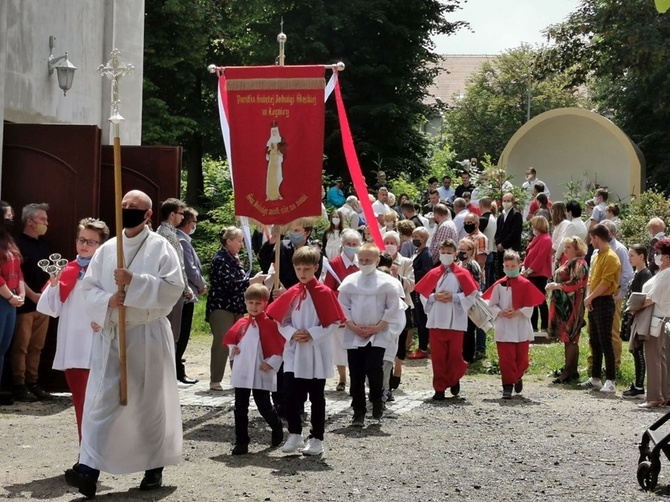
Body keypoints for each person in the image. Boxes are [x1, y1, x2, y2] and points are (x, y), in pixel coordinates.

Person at [66, 190, 185, 498]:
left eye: (134, 207)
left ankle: (154, 469)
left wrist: (135, 282)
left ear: (148, 214)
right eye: (124, 206)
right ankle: (88, 471)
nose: (128, 210)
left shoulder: (161, 248)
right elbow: (88, 288)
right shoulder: (107, 249)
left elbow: (174, 288)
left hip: (147, 335)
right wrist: (109, 299)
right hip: (113, 335)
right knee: (102, 403)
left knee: (148, 404)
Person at [37, 218, 109, 445]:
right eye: (81, 240)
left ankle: (99, 451)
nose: (85, 245)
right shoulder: (67, 269)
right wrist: (56, 283)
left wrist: (106, 319)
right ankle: (86, 451)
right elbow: (50, 308)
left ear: (101, 245)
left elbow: (120, 304)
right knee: (81, 401)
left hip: (101, 344)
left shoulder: (108, 272)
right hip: (75, 347)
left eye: (91, 241)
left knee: (102, 403)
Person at [266, 246, 345, 455]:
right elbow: (282, 320)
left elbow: (334, 322)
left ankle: (317, 438)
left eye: (307, 269)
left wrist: (312, 333)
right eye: (299, 268)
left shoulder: (325, 293)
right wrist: (292, 332)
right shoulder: (292, 292)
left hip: (316, 351)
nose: (302, 273)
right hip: (295, 350)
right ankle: (294, 434)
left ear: (316, 268)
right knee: (291, 395)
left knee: (317, 396)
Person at [338, 243, 403, 425]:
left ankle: (377, 400)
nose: (364, 263)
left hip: (378, 332)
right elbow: (343, 306)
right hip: (354, 332)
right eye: (362, 260)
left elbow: (393, 307)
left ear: (376, 260)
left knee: (375, 370)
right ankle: (358, 411)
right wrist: (352, 326)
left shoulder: (387, 282)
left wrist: (378, 327)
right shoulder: (350, 281)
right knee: (356, 374)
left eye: (368, 260)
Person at [223, 284, 285, 455]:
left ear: (265, 303)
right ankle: (241, 441)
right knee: (240, 406)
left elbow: (279, 347)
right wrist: (233, 349)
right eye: (250, 303)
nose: (253, 306)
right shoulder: (242, 323)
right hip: (243, 369)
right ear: (245, 303)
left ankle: (277, 426)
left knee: (263, 404)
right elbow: (231, 340)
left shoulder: (271, 325)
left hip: (261, 369)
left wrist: (272, 362)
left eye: (258, 303)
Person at [414, 238, 478, 400]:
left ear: (455, 254)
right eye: (443, 253)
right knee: (438, 356)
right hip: (436, 319)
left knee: (455, 355)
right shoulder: (434, 272)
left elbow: (472, 294)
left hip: (456, 319)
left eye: (449, 253)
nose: (445, 255)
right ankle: (439, 388)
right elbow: (422, 293)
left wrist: (455, 297)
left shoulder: (463, 273)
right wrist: (434, 297)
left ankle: (454, 377)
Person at [208, 226, 265, 391]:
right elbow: (229, 284)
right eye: (239, 241)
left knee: (238, 342)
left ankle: (238, 377)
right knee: (222, 341)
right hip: (221, 306)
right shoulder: (220, 259)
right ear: (229, 241)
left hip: (237, 306)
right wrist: (252, 281)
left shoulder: (234, 258)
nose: (241, 244)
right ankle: (215, 380)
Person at [483, 250, 546, 399]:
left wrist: (518, 312)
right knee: (506, 358)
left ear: (519, 265)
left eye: (513, 266)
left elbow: (531, 305)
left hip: (520, 326)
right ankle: (507, 386)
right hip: (504, 326)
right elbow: (491, 304)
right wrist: (500, 312)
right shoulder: (499, 285)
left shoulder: (526, 284)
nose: (510, 269)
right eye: (507, 266)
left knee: (522, 359)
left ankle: (517, 377)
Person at [11, 203, 52, 402]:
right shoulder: (16, 244)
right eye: (42, 219)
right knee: (21, 346)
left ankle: (33, 382)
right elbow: (16, 275)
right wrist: (31, 295)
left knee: (37, 346)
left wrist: (45, 296)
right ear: (30, 221)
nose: (46, 223)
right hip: (24, 305)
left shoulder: (44, 245)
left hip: (43, 305)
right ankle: (19, 385)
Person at [580, 224, 621, 393]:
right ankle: (595, 377)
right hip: (594, 300)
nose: (590, 242)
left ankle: (610, 379)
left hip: (604, 301)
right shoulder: (597, 255)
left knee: (606, 340)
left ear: (596, 238)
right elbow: (591, 279)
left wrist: (591, 297)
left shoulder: (611, 257)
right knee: (594, 340)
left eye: (591, 238)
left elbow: (605, 283)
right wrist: (589, 297)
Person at [630, 238, 670, 408]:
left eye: (659, 253)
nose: (656, 256)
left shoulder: (667, 273)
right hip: (659, 318)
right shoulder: (663, 272)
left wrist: (634, 307)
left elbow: (651, 298)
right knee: (659, 358)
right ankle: (662, 394)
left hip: (657, 319)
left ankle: (654, 397)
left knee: (653, 358)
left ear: (667, 257)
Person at [323, 228, 362, 392]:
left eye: (354, 244)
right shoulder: (334, 264)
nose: (351, 246)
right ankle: (342, 378)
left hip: (359, 310)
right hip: (341, 310)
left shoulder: (362, 262)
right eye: (348, 244)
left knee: (356, 346)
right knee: (339, 346)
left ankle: (356, 378)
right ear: (343, 244)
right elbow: (328, 289)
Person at [546, 237, 589, 383]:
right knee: (567, 338)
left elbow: (578, 281)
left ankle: (569, 371)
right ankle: (570, 370)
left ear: (578, 249)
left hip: (572, 306)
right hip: (563, 306)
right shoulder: (568, 262)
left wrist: (558, 286)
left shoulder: (580, 262)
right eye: (565, 247)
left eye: (569, 247)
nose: (565, 250)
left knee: (571, 338)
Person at [175, 208, 207, 385]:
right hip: (184, 295)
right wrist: (202, 285)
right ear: (188, 223)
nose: (195, 226)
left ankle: (178, 368)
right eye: (194, 222)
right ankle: (178, 370)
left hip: (187, 293)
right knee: (182, 333)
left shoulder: (183, 239)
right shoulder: (182, 241)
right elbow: (190, 268)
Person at [156, 198, 193, 345]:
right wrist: (186, 287)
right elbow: (179, 264)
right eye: (180, 214)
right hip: (172, 287)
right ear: (172, 215)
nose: (182, 217)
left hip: (163, 286)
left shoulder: (161, 231)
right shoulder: (169, 236)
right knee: (172, 334)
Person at [383, 231, 415, 392]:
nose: (389, 245)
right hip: (384, 305)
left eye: (392, 242)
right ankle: (385, 372)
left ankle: (398, 367)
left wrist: (397, 276)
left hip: (403, 304)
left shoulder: (406, 262)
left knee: (401, 338)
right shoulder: (379, 260)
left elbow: (411, 285)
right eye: (386, 241)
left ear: (398, 245)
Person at [620, 244, 653, 399]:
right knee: (634, 350)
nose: (629, 258)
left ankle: (639, 386)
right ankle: (638, 384)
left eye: (632, 255)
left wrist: (635, 310)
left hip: (639, 315)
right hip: (632, 314)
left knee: (638, 350)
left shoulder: (645, 274)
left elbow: (644, 296)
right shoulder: (637, 273)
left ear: (641, 256)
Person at [0, 210, 24, 406]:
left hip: (11, 300)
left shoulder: (9, 241)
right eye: (7, 215)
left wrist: (20, 293)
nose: (11, 219)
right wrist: (10, 296)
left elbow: (18, 270)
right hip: (3, 298)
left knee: (3, 347)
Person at [522, 216, 553, 335]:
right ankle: (533, 326)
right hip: (531, 274)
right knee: (532, 301)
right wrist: (524, 268)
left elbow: (540, 258)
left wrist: (528, 271)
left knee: (540, 300)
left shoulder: (545, 239)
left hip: (539, 274)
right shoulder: (536, 238)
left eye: (533, 225)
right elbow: (528, 255)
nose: (532, 228)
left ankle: (544, 327)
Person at [409, 227, 433, 360]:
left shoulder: (426, 255)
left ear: (423, 238)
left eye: (416, 236)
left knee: (422, 320)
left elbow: (426, 273)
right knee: (419, 319)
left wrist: (412, 273)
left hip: (421, 291)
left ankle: (423, 347)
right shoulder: (418, 252)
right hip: (415, 290)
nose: (414, 239)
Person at [456, 238, 482, 363]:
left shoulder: (473, 265)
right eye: (459, 250)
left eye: (464, 250)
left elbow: (476, 284)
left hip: (469, 300)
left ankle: (468, 357)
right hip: (458, 300)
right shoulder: (458, 263)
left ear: (471, 251)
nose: (461, 252)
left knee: (469, 330)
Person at [494, 193, 523, 280]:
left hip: (511, 248)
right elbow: (498, 231)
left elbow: (515, 233)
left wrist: (503, 244)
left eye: (508, 201)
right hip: (501, 250)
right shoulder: (501, 215)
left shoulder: (516, 215)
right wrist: (498, 243)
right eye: (504, 201)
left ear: (512, 202)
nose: (506, 203)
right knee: (501, 273)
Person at [478, 197, 498, 292]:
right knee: (488, 282)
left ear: (480, 206)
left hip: (483, 254)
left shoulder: (483, 219)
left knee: (483, 283)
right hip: (490, 251)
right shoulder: (493, 218)